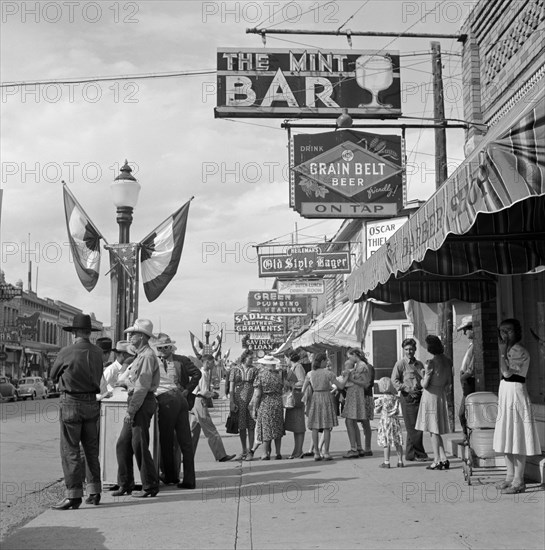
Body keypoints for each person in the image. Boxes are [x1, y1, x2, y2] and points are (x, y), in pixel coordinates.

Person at [50, 313, 103, 510]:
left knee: (70, 450)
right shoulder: (98, 352)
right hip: (91, 402)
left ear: (75, 332)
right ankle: (95, 491)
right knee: (91, 450)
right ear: (89, 332)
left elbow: (53, 374)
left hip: (71, 401)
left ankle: (73, 495)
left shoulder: (66, 351)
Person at [493, 318, 541, 494]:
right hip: (506, 390)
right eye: (502, 331)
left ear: (517, 332)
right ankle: (510, 476)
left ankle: (519, 480)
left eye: (509, 331)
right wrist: (503, 352)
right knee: (507, 432)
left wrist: (503, 352)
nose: (504, 334)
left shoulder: (519, 351)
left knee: (517, 433)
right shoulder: (507, 350)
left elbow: (507, 372)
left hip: (516, 390)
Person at [114, 319, 160, 498]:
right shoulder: (142, 354)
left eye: (133, 334)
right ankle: (125, 483)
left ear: (141, 337)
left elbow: (142, 386)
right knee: (123, 444)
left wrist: (131, 410)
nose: (130, 336)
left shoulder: (147, 356)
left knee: (139, 444)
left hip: (141, 401)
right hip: (138, 399)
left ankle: (149, 485)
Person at [155, 333, 201, 490]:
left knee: (175, 440)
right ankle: (175, 475)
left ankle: (174, 476)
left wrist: (187, 390)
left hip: (174, 400)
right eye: (160, 348)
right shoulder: (155, 360)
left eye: (165, 347)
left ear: (171, 347)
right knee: (174, 440)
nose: (163, 350)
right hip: (167, 401)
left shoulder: (181, 360)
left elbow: (197, 374)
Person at [415, 335, 453, 471]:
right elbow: (449, 382)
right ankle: (444, 458)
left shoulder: (430, 362)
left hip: (430, 395)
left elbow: (425, 384)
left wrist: (422, 375)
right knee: (436, 429)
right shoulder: (448, 361)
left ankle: (436, 459)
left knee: (432, 430)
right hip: (441, 394)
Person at [191, 354, 235, 462]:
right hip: (200, 401)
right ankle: (221, 455)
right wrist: (213, 394)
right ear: (207, 362)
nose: (214, 365)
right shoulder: (203, 374)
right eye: (212, 362)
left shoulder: (201, 373)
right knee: (210, 430)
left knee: (193, 431)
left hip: (195, 401)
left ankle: (186, 455)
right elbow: (204, 391)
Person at [391, 338, 429, 462]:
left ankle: (410, 454)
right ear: (403, 350)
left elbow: (424, 379)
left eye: (411, 349)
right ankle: (419, 453)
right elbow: (394, 380)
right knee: (412, 426)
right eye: (406, 349)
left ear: (415, 349)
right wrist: (407, 389)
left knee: (417, 425)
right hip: (407, 397)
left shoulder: (419, 364)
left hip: (419, 396)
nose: (409, 352)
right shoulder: (401, 364)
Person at [301, 352, 338, 461]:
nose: (327, 362)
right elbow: (339, 385)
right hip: (326, 397)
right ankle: (326, 452)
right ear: (322, 361)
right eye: (325, 360)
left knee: (315, 427)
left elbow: (303, 389)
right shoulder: (328, 373)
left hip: (315, 397)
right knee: (327, 427)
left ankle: (316, 452)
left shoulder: (310, 374)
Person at [250, 355, 285, 460]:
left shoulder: (261, 375)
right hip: (278, 402)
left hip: (266, 402)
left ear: (264, 364)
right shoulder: (278, 375)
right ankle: (278, 453)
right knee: (277, 427)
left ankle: (265, 453)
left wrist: (254, 408)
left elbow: (257, 394)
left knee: (266, 428)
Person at [229, 350, 258, 460]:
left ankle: (250, 450)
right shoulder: (235, 370)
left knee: (251, 425)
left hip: (251, 398)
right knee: (241, 426)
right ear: (244, 358)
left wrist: (255, 400)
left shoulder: (254, 370)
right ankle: (243, 450)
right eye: (250, 358)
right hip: (239, 399)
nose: (252, 360)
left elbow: (257, 385)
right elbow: (231, 387)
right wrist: (231, 402)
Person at [375, 377, 404, 468]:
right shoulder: (395, 398)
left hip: (385, 421)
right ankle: (400, 461)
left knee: (386, 441)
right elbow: (397, 411)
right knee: (397, 441)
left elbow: (376, 410)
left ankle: (386, 462)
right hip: (395, 421)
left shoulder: (381, 399)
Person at [283, 351, 306, 459]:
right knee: (295, 426)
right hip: (293, 397)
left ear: (289, 358)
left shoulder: (298, 367)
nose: (285, 360)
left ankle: (299, 450)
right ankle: (297, 449)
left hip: (297, 397)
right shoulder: (292, 368)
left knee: (299, 424)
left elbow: (302, 382)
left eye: (285, 358)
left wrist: (291, 384)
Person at [457, 316, 475, 441]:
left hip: (470, 381)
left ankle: (469, 438)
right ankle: (467, 437)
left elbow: (472, 368)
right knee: (463, 413)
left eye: (466, 329)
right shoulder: (471, 345)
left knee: (464, 413)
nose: (464, 332)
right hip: (466, 382)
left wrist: (463, 376)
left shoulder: (475, 346)